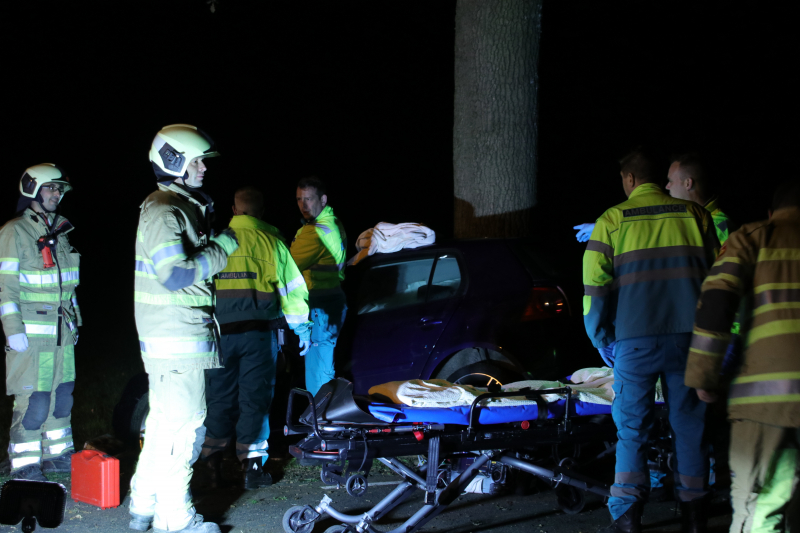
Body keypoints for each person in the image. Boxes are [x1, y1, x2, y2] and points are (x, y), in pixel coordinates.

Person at [584, 148, 719, 533]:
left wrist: (601, 338)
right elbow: (715, 283)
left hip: (634, 341)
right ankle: (695, 516)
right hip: (690, 341)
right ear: (660, 179)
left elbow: (594, 291)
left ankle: (627, 515)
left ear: (629, 179)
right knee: (691, 426)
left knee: (632, 428)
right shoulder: (697, 216)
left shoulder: (611, 220)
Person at [129, 124, 239, 533]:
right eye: (195, 161)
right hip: (176, 338)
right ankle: (175, 518)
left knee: (162, 425)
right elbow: (174, 276)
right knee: (184, 427)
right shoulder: (165, 210)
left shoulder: (173, 206)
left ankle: (143, 502)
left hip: (173, 337)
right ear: (173, 161)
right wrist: (223, 248)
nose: (203, 168)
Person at [686, 179, 800, 533]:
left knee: (758, 505)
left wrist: (703, 377)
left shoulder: (753, 237)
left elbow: (717, 305)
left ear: (772, 213)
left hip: (767, 402)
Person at [202, 186, 312, 489]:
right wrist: (301, 329)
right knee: (255, 399)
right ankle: (251, 468)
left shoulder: (217, 243)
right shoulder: (272, 243)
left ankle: (212, 463)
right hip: (258, 337)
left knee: (219, 398)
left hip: (220, 338)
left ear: (235, 211)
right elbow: (293, 291)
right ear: (262, 212)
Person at [0, 164, 79, 481]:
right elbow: (5, 286)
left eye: (60, 189)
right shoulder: (14, 231)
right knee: (34, 398)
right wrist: (12, 329)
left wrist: (76, 323)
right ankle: (25, 464)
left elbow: (67, 286)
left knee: (62, 394)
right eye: (50, 187)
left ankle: (57, 456)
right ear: (32, 188)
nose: (56, 194)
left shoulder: (59, 231)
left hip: (63, 332)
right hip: (31, 335)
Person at [290, 176, 347, 396]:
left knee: (319, 372)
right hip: (330, 301)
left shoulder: (314, 232)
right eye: (299, 199)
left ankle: (322, 421)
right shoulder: (332, 222)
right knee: (320, 366)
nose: (303, 205)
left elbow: (286, 268)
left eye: (308, 199)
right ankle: (321, 418)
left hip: (320, 305)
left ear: (322, 199)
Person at [665, 152, 737, 244]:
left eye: (670, 181)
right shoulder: (688, 217)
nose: (667, 186)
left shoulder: (720, 225)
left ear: (688, 183)